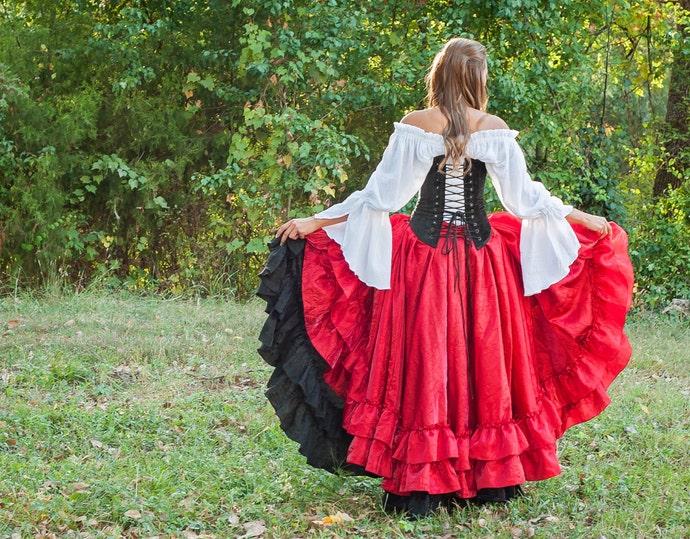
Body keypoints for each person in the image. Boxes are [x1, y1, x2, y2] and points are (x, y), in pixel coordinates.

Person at [256, 37, 633, 518]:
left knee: (427, 361)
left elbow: (378, 197)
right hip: (481, 263)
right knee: (479, 364)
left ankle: (424, 484)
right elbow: (527, 200)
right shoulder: (491, 129)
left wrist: (318, 221)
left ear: (440, 75)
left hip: (424, 260)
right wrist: (582, 217)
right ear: (477, 79)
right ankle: (487, 478)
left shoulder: (417, 126)